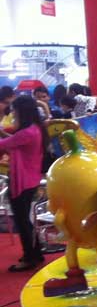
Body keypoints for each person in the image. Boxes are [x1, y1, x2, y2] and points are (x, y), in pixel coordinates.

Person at [0, 95, 46, 271]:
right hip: (30, 179)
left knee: (22, 221)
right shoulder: (35, 129)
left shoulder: (27, 133)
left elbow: (6, 143)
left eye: (15, 111)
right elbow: (13, 140)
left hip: (23, 181)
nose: (13, 114)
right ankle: (35, 253)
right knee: (25, 220)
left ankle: (29, 258)